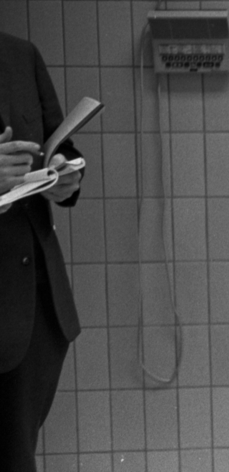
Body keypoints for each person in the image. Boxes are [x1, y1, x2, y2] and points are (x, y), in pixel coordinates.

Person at [0, 33, 86, 472]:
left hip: (31, 303)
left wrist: (63, 173)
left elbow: (59, 143)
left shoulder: (19, 55)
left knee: (16, 456)